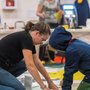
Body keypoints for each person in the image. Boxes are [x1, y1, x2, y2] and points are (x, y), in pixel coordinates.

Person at [0, 21, 59, 90]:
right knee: (19, 89)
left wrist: (50, 82)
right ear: (37, 33)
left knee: (24, 64)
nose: (41, 43)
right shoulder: (26, 38)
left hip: (4, 66)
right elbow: (30, 65)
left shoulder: (29, 40)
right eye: (42, 40)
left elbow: (37, 63)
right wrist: (43, 86)